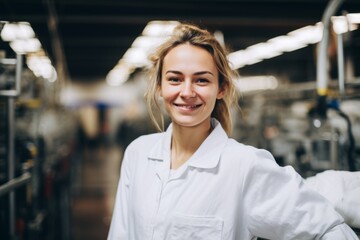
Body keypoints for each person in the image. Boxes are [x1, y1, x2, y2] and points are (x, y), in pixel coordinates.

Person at [107, 23, 359, 239]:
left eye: (201, 79)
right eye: (175, 79)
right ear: (160, 86)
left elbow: (327, 227)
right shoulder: (138, 153)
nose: (186, 92)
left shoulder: (244, 165)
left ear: (221, 88)